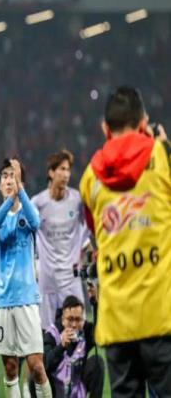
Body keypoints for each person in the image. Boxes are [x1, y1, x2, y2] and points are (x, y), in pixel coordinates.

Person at [79, 86, 171, 396]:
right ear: (143, 123)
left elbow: (97, 233)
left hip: (117, 321)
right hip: (161, 315)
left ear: (105, 129)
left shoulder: (90, 177)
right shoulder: (162, 157)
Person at [0, 158, 52, 398]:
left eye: (13, 175)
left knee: (36, 365)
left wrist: (20, 192)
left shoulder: (28, 212)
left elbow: (35, 222)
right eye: (4, 175)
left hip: (26, 299)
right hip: (3, 301)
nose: (8, 180)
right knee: (10, 367)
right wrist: (10, 199)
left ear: (20, 181)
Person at [31, 150, 91, 328]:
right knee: (48, 330)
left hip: (70, 276)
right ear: (51, 172)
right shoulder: (38, 203)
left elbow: (90, 224)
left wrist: (83, 244)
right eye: (62, 169)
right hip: (48, 278)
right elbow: (28, 234)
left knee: (77, 326)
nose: (66, 175)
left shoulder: (77, 200)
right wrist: (34, 263)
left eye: (68, 170)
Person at [42, 295, 104, 397]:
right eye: (70, 319)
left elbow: (100, 331)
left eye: (78, 319)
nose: (74, 325)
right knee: (35, 374)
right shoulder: (51, 334)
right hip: (55, 391)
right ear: (63, 319)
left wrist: (96, 304)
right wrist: (61, 346)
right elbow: (45, 366)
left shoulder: (84, 330)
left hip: (78, 389)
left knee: (97, 362)